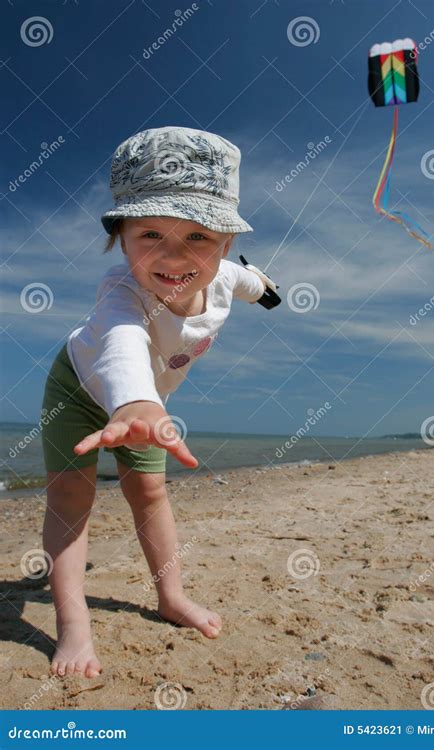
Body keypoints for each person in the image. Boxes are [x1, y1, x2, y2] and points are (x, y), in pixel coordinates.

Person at [40, 126, 271, 678]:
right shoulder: (121, 293)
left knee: (150, 493)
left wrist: (268, 290)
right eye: (150, 234)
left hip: (145, 414)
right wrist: (136, 403)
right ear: (121, 237)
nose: (174, 255)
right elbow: (121, 345)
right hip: (82, 389)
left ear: (227, 242)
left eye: (199, 237)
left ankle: (171, 595)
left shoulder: (225, 276)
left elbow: (249, 282)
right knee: (72, 497)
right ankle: (73, 627)